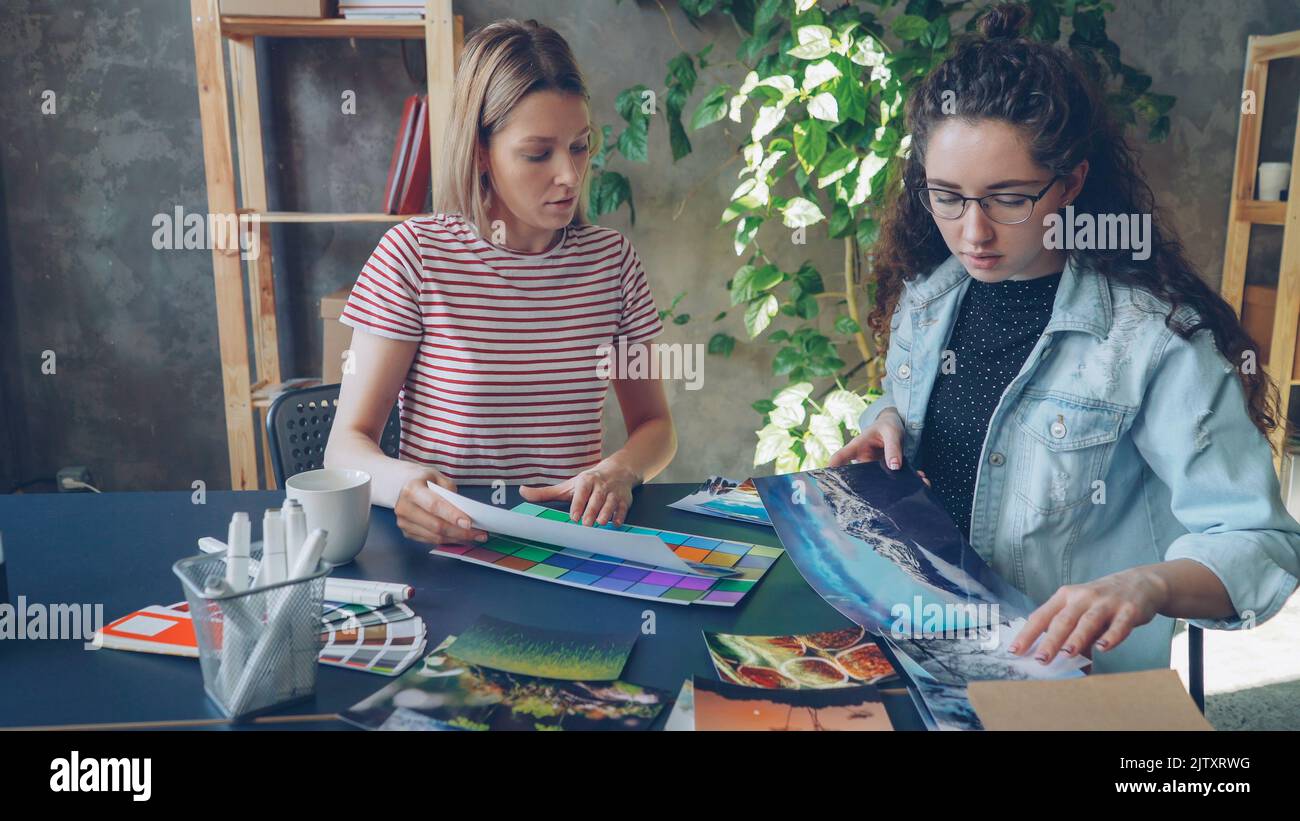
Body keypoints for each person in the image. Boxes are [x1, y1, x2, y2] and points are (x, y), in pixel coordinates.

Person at [831, 3, 1300, 674]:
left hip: (1067, 684)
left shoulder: (1151, 340)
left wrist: (1149, 583)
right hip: (923, 651)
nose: (973, 233)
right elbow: (903, 401)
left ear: (1072, 182)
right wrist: (883, 421)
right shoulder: (928, 298)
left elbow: (1260, 538)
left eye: (1009, 197)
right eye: (948, 196)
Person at [324, 19, 676, 547]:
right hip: (450, 545)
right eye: (538, 154)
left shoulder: (613, 262)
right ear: (482, 151)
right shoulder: (414, 256)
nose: (569, 175)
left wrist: (621, 469)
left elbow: (655, 425)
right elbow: (346, 446)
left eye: (579, 147)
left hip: (575, 544)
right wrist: (404, 487)